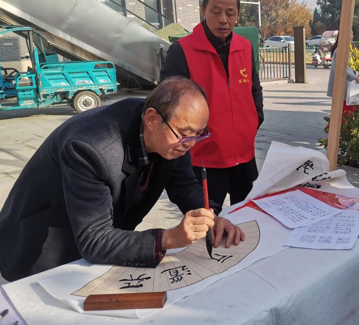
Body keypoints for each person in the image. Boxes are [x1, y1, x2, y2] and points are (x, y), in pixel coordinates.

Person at [0, 78, 244, 282]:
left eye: (199, 134)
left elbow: (183, 185)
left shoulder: (171, 133)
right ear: (152, 119)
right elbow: (95, 239)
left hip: (93, 246)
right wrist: (170, 238)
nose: (190, 144)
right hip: (41, 251)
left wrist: (210, 216)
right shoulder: (90, 148)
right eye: (185, 134)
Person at [160, 0, 263, 207]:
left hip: (245, 157)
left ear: (238, 15)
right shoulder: (182, 51)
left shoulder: (245, 47)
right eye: (216, 12)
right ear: (203, 10)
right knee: (208, 223)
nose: (223, 19)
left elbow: (254, 89)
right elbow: (166, 105)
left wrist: (254, 120)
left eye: (230, 13)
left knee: (248, 218)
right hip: (203, 160)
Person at [326, 34, 359, 114]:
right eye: (350, 34)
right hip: (344, 86)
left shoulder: (346, 49)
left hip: (347, 86)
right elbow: (341, 67)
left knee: (347, 111)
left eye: (352, 34)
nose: (352, 36)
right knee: (345, 112)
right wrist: (354, 77)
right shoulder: (340, 50)